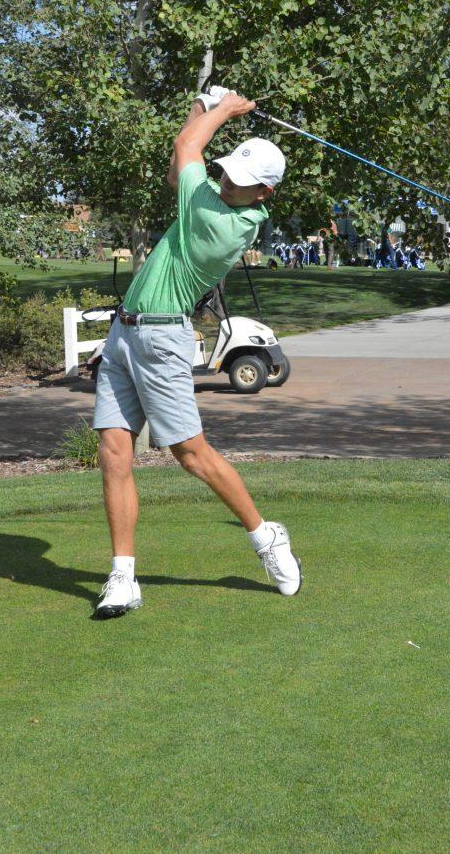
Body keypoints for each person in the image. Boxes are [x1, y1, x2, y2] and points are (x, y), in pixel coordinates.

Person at [92, 87, 302, 617]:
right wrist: (201, 106)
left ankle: (265, 537)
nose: (231, 181)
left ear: (264, 195)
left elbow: (187, 150)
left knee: (190, 455)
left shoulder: (226, 221)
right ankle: (123, 577)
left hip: (162, 339)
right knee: (114, 453)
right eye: (230, 172)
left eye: (245, 182)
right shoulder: (208, 196)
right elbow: (180, 164)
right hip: (126, 331)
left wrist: (221, 109)